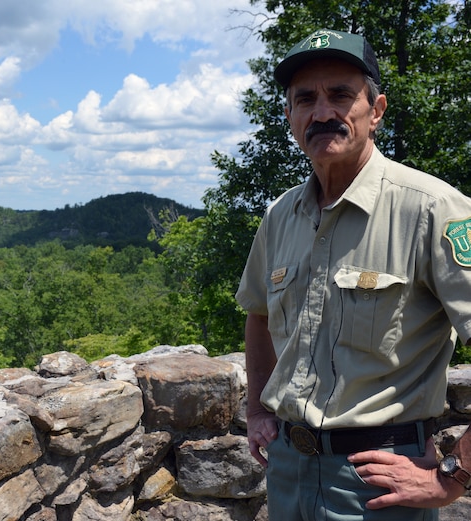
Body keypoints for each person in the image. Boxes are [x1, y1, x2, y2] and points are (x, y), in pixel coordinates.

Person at [235, 28, 471, 520]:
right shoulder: (281, 217)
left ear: (376, 109)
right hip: (286, 473)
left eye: (340, 95)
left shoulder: (432, 209)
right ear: (290, 116)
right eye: (305, 99)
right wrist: (258, 411)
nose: (322, 113)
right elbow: (258, 314)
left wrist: (454, 474)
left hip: (379, 484)